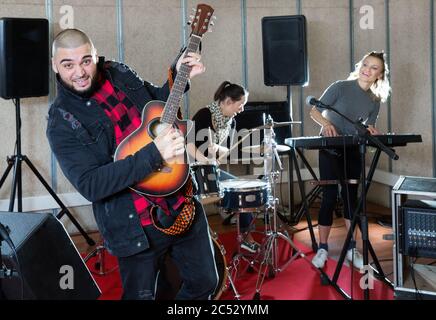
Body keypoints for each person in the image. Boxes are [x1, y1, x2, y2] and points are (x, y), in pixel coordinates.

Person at [46, 28, 218, 300]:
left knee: (205, 283)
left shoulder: (119, 71)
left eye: (86, 61)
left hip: (181, 201)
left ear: (96, 56)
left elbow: (159, 107)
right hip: (135, 227)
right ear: (55, 65)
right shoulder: (61, 122)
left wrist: (180, 75)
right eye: (68, 65)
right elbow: (92, 185)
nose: (79, 72)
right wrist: (154, 154)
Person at [309, 51, 391, 269]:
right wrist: (325, 125)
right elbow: (314, 111)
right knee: (328, 198)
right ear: (360, 66)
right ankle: (323, 249)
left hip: (353, 150)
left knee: (350, 199)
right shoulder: (340, 87)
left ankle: (352, 247)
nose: (367, 69)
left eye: (374, 68)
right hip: (330, 148)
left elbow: (367, 126)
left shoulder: (375, 100)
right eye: (366, 64)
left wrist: (371, 131)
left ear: (379, 75)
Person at [189, 81, 260, 253]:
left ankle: (246, 239)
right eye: (240, 104)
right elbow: (188, 144)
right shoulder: (204, 114)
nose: (241, 109)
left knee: (242, 190)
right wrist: (205, 160)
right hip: (191, 170)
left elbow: (216, 148)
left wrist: (228, 150)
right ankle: (201, 239)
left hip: (210, 170)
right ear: (228, 101)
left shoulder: (230, 122)